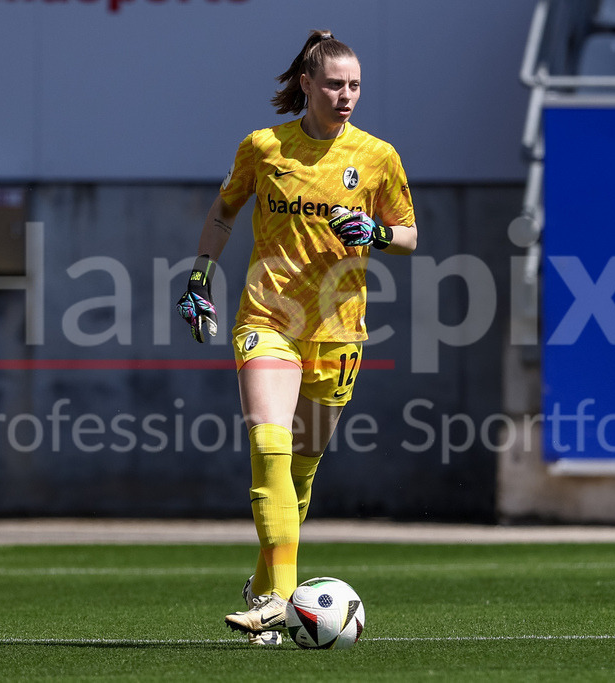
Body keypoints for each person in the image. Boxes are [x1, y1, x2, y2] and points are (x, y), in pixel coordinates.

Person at [176, 29, 418, 645]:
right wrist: (199, 276)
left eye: (356, 85)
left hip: (338, 331)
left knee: (302, 474)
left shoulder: (378, 156)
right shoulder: (263, 147)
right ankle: (283, 602)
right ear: (306, 84)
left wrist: (375, 232)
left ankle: (263, 589)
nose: (346, 96)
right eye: (335, 84)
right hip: (267, 320)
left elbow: (410, 234)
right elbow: (225, 211)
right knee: (269, 447)